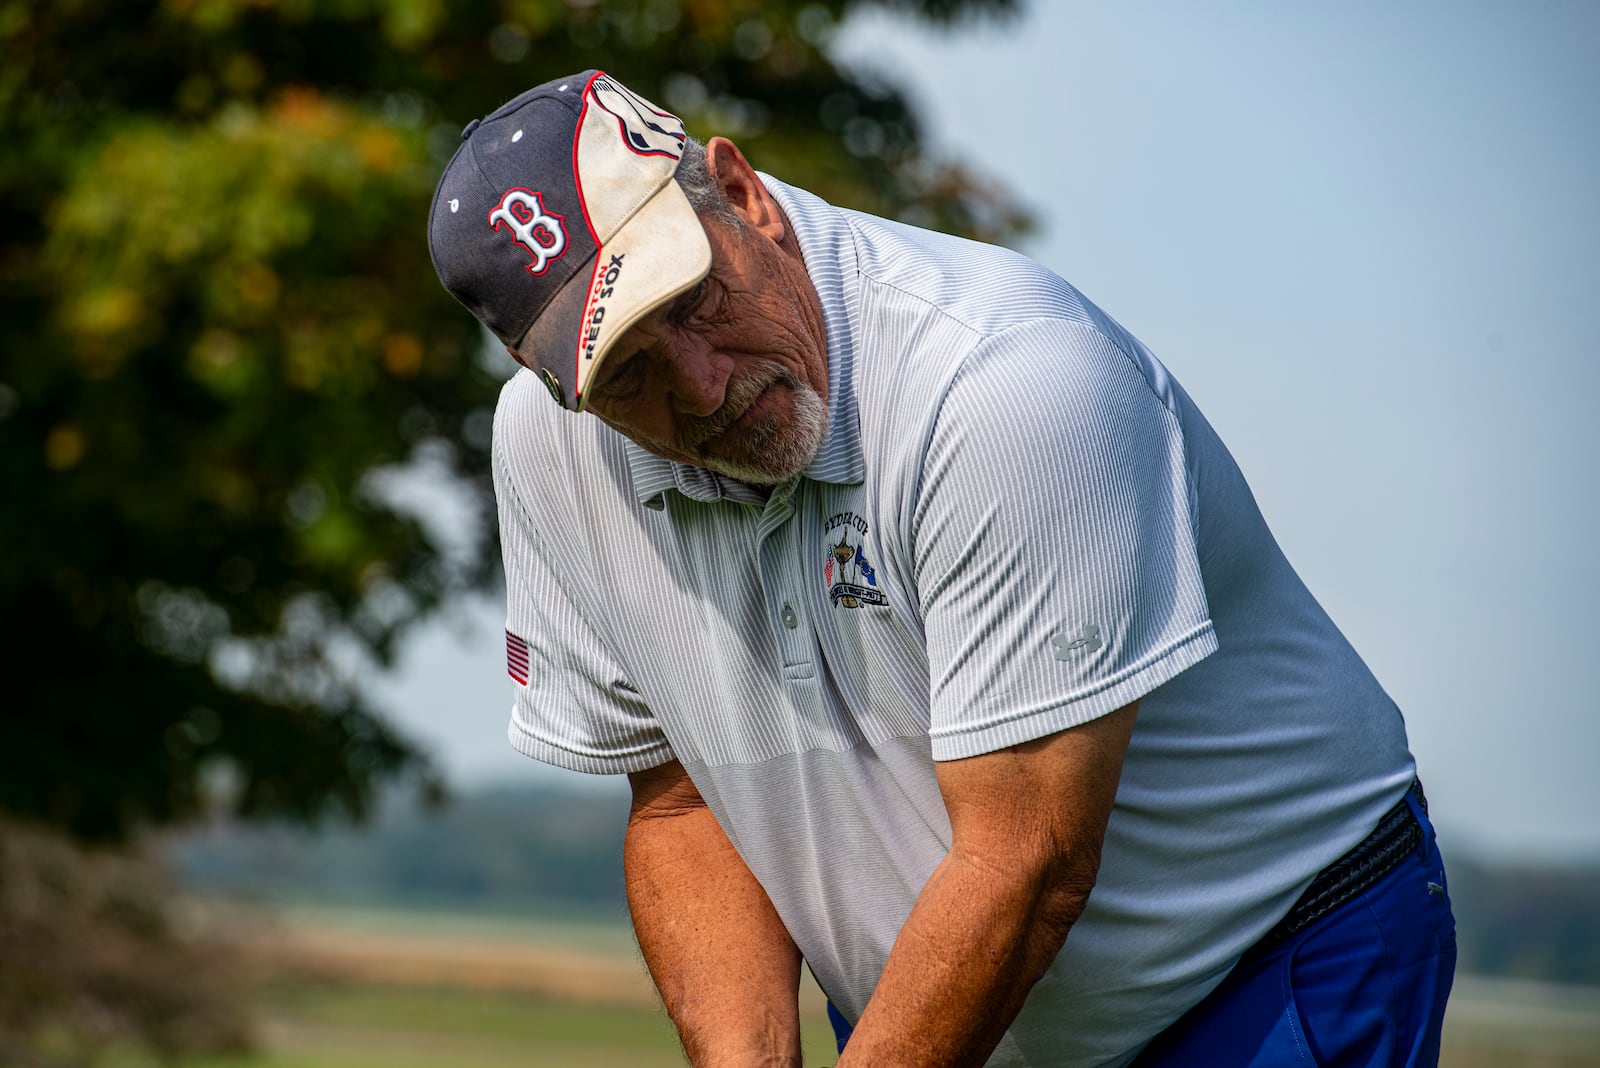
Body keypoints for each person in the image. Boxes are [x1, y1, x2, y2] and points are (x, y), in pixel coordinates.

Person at [427, 70, 1456, 1067]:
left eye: (689, 301)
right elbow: (685, 800)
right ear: (549, 381)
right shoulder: (551, 446)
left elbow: (1028, 857)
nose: (699, 389)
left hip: (1264, 965)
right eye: (631, 371)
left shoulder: (1010, 386)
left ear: (742, 197)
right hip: (937, 1010)